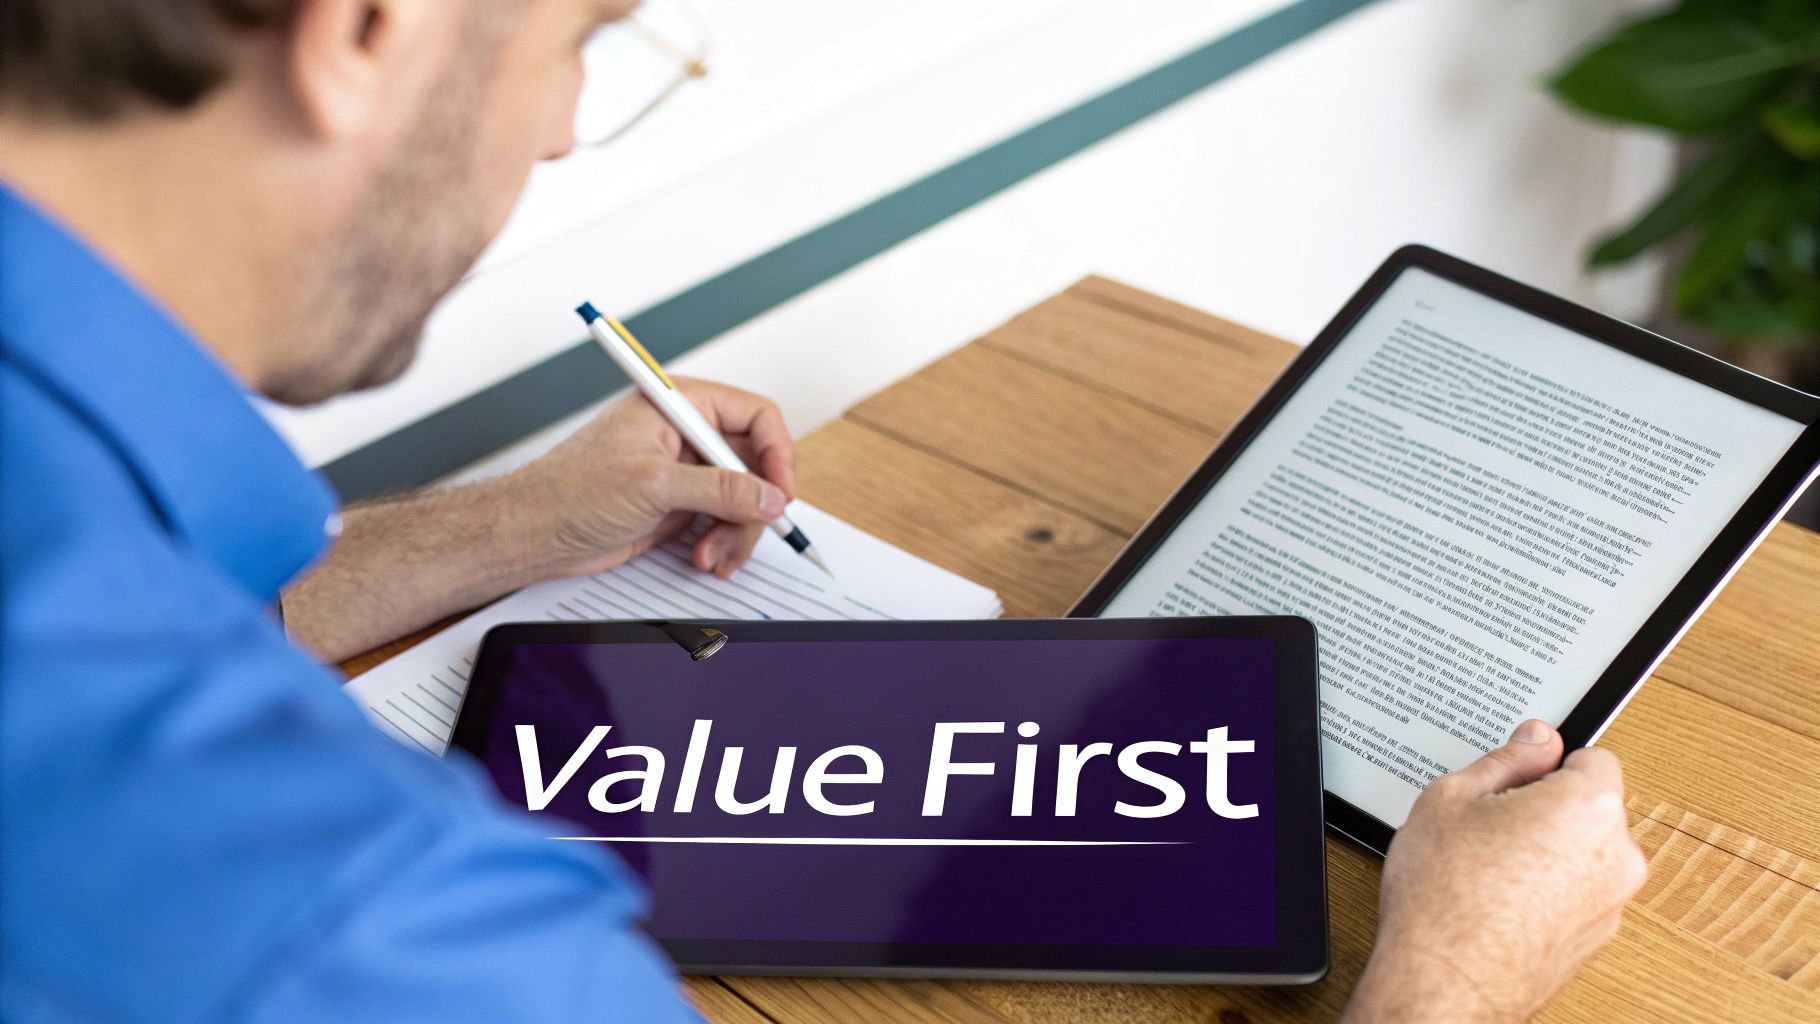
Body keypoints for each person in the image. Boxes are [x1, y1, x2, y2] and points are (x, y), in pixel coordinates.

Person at [0, 2, 1647, 1021]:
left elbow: (130, 599)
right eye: (583, 32)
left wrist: (521, 524)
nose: (567, 124)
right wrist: (1460, 980)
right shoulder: (391, 938)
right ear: (367, 23)